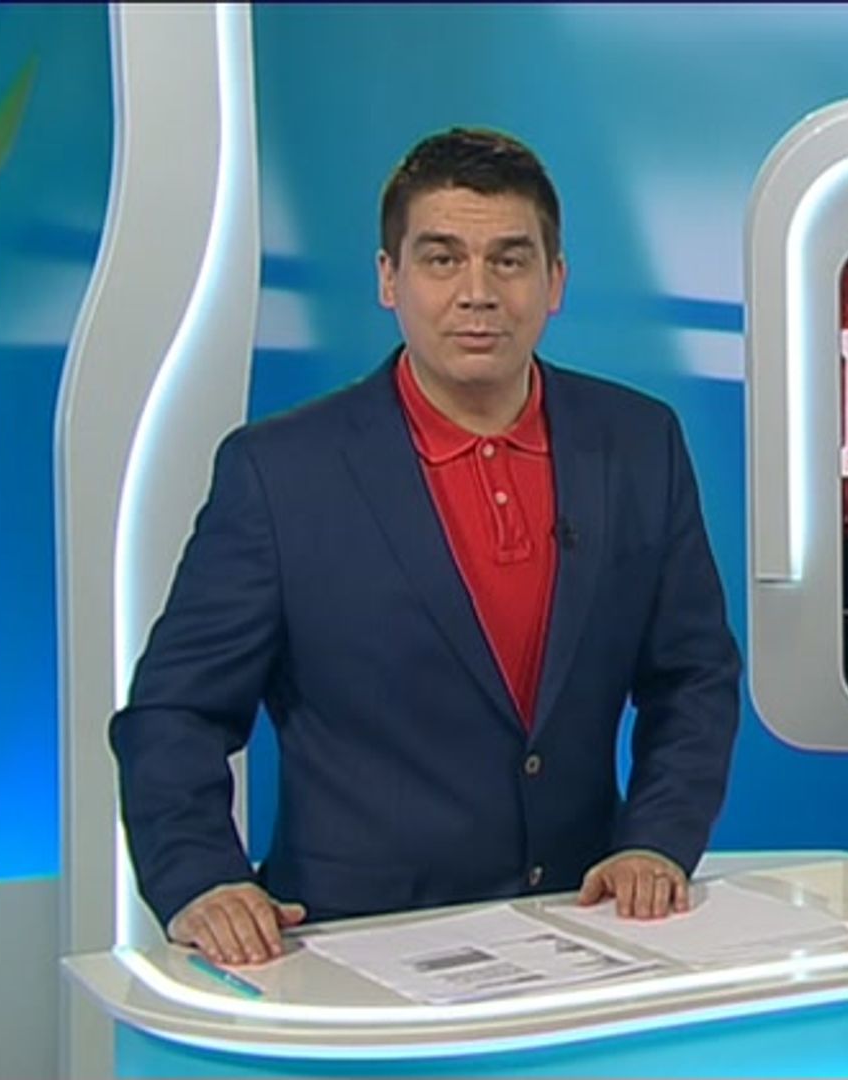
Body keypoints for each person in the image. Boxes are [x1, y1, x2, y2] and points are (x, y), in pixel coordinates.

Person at [110, 127, 742, 967]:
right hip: (356, 948)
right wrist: (200, 877)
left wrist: (656, 842)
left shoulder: (636, 444)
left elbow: (694, 675)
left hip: (583, 934)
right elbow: (174, 712)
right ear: (389, 278)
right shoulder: (281, 473)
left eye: (510, 261)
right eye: (442, 259)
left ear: (555, 281)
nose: (478, 293)